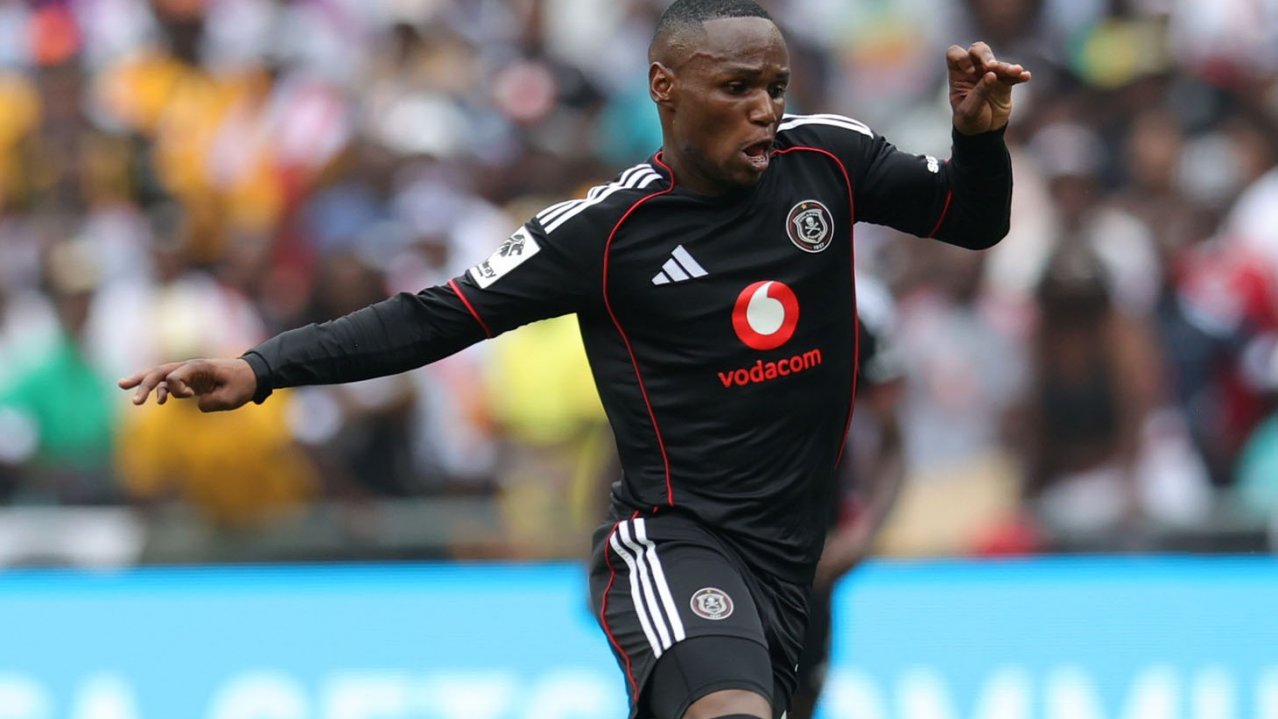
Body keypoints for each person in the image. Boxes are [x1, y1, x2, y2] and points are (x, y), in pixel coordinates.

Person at [120, 1, 1030, 717]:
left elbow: (971, 219)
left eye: (778, 85)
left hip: (793, 555)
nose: (765, 107)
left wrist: (981, 139)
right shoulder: (604, 232)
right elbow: (439, 316)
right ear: (664, 88)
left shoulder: (829, 161)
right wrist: (263, 366)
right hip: (674, 541)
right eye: (737, 87)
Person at [790, 275, 907, 719]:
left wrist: (862, 533)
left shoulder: (857, 311)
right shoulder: (711, 285)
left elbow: (893, 443)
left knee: (802, 696)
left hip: (813, 539)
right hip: (721, 537)